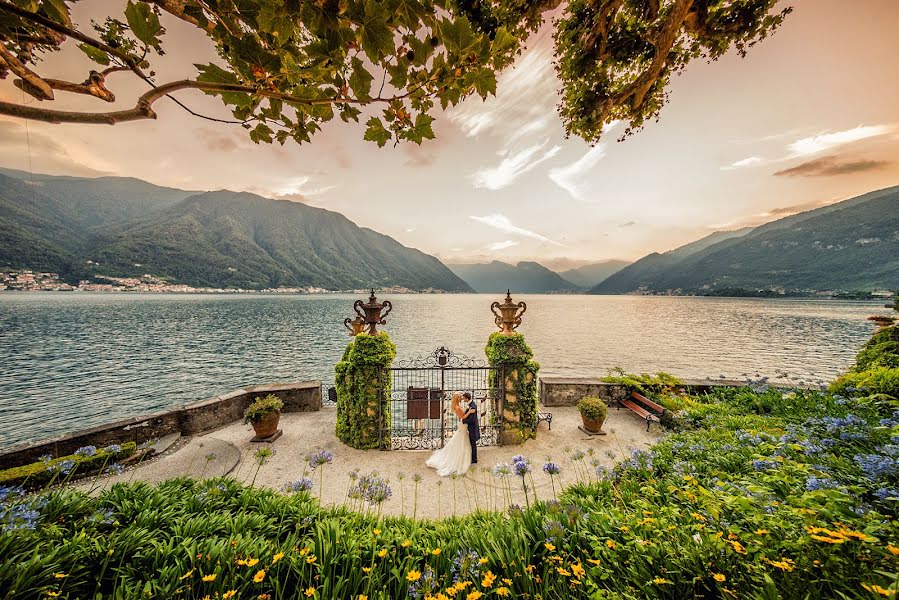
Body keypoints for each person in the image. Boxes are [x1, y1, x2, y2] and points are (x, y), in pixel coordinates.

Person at [425, 392, 474, 476]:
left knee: (461, 440)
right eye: (460, 397)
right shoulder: (457, 407)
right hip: (462, 424)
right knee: (461, 439)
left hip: (462, 425)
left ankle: (462, 456)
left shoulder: (457, 406)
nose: (461, 398)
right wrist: (469, 412)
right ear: (457, 398)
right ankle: (460, 458)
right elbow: (463, 417)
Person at [461, 391, 480, 464]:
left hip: (472, 428)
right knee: (472, 443)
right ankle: (472, 457)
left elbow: (472, 420)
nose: (463, 399)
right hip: (471, 428)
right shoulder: (471, 404)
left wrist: (464, 421)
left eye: (464, 398)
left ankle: (474, 459)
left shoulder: (472, 406)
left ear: (467, 398)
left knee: (473, 444)